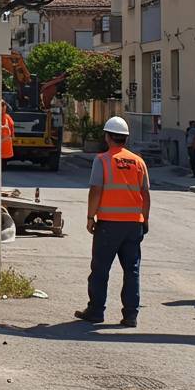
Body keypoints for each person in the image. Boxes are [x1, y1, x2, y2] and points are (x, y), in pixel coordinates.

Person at [76, 116, 151, 328]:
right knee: (132, 270)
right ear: (126, 138)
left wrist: (91, 217)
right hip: (133, 225)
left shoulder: (102, 160)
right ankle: (130, 315)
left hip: (109, 224)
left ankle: (96, 311)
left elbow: (96, 190)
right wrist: (145, 219)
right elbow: (145, 194)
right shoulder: (138, 162)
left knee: (100, 269)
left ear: (108, 137)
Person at [0, 102, 15, 168]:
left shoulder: (7, 117)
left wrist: (12, 135)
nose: (3, 109)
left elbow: (11, 127)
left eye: (4, 107)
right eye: (2, 107)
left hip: (5, 146)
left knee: (3, 162)